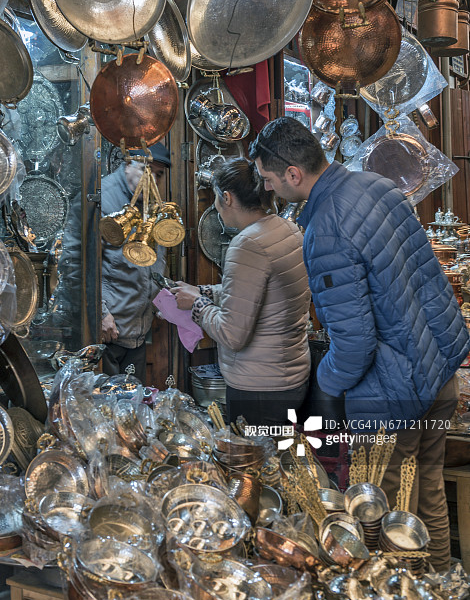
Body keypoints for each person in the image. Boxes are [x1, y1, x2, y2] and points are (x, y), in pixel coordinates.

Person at [249, 116, 470, 572]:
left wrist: (324, 386)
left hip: (395, 393)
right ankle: (443, 597)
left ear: (293, 173)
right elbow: (425, 282)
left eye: (269, 180)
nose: (269, 190)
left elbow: (353, 344)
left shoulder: (325, 227)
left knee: (386, 517)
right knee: (426, 490)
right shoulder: (377, 185)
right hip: (438, 369)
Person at [172, 157, 311, 427]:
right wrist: (204, 291)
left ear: (227, 197)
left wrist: (198, 305)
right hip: (291, 375)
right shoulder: (287, 229)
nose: (215, 206)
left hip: (259, 386)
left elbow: (233, 334)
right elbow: (260, 293)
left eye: (214, 197)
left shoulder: (247, 244)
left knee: (256, 465)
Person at [60, 142, 170, 380]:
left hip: (138, 332)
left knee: (131, 407)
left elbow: (157, 259)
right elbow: (73, 264)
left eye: (158, 175)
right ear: (128, 163)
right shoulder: (99, 198)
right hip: (107, 332)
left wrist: (161, 299)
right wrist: (99, 314)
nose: (151, 180)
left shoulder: (152, 203)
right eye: (146, 170)